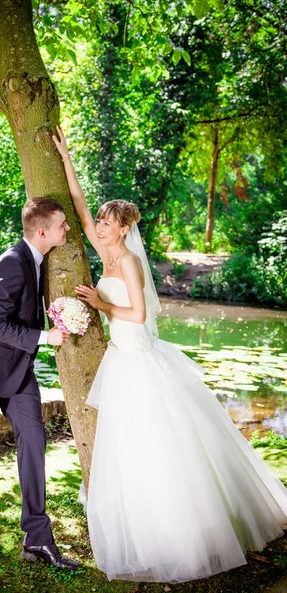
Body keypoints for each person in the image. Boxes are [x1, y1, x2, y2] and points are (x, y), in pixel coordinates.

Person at [53, 126, 287, 584]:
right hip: (121, 361)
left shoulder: (131, 263)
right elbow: (78, 206)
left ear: (124, 228)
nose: (98, 225)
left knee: (160, 441)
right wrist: (66, 157)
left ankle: (187, 532)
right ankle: (143, 524)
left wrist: (100, 306)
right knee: (128, 446)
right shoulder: (103, 251)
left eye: (106, 222)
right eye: (98, 221)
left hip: (139, 357)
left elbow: (138, 314)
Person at [0, 197, 79, 571]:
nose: (67, 229)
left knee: (35, 440)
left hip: (18, 371)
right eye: (62, 225)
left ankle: (38, 539)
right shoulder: (11, 263)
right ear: (42, 232)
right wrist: (45, 336)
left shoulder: (39, 260)